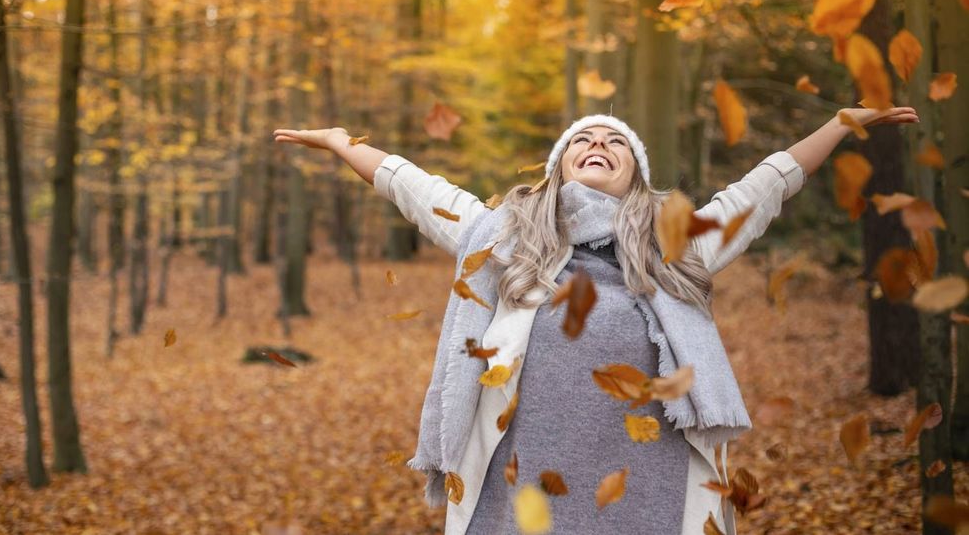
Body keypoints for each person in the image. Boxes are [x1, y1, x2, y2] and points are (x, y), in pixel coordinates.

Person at [273, 105, 917, 535]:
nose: (597, 144)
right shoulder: (503, 235)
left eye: (615, 142)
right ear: (559, 167)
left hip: (648, 482)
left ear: (634, 173)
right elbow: (420, 192)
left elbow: (758, 192)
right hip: (521, 481)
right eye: (582, 139)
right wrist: (340, 146)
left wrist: (837, 126)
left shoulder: (676, 238)